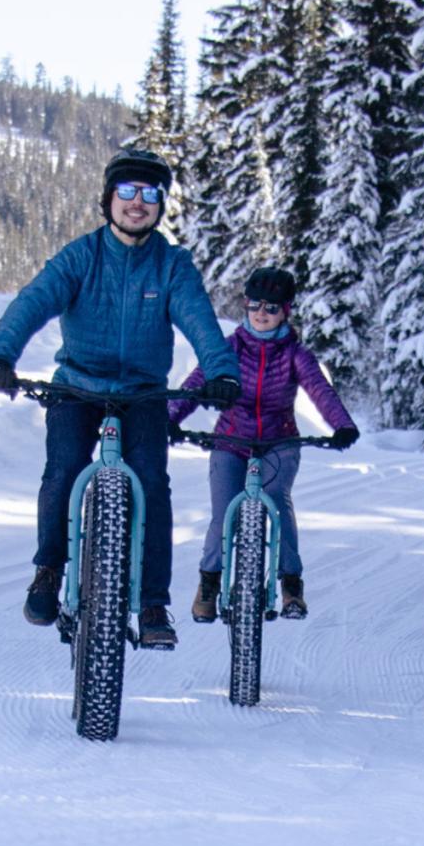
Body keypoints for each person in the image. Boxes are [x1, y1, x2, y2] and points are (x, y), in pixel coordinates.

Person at [0, 148, 241, 649]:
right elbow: (34, 301)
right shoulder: (82, 256)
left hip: (142, 392)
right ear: (108, 200)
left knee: (153, 486)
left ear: (161, 204)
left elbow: (201, 323)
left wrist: (220, 371)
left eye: (149, 194)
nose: (137, 203)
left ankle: (152, 604)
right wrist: (1, 356)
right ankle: (49, 573)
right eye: (126, 192)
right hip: (77, 386)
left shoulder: (172, 266)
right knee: (62, 471)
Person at [169, 266, 358, 622]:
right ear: (245, 305)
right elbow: (196, 382)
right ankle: (208, 584)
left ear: (285, 311)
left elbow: (320, 389)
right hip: (231, 440)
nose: (261, 313)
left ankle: (291, 586)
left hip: (279, 442)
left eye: (271, 308)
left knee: (277, 503)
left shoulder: (294, 354)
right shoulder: (230, 347)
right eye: (255, 305)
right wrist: (170, 417)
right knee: (223, 514)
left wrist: (342, 425)